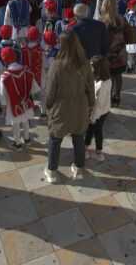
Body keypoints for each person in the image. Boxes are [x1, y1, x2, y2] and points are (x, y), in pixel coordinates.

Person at [44, 31, 95, 184]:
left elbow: (50, 91)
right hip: (80, 106)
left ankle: (52, 171)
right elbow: (90, 87)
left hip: (61, 107)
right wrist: (91, 103)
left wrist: (48, 106)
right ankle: (79, 168)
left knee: (55, 139)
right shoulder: (85, 63)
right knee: (79, 138)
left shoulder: (57, 65)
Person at [0, 47, 39, 149]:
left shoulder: (5, 77)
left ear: (4, 60)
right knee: (25, 120)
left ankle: (17, 143)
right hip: (26, 101)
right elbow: (34, 88)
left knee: (16, 124)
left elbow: (2, 94)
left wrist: (4, 105)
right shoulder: (27, 71)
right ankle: (27, 138)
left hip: (13, 104)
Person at [98, 0, 127, 107]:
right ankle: (117, 97)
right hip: (120, 52)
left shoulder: (102, 21)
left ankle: (108, 98)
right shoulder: (121, 19)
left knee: (107, 77)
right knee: (118, 76)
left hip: (108, 53)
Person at [86, 56, 111, 161]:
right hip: (103, 111)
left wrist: (92, 117)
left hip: (99, 113)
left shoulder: (103, 84)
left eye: (91, 66)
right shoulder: (104, 79)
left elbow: (99, 104)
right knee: (96, 131)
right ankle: (97, 150)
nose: (89, 68)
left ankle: (90, 149)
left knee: (92, 130)